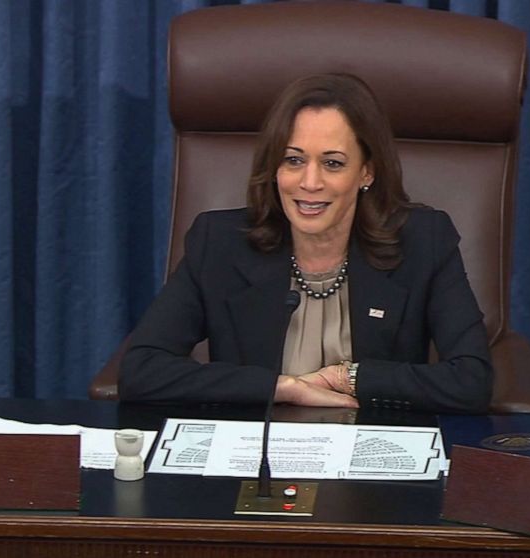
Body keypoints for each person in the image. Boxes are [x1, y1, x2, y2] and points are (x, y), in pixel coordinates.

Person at [119, 73, 493, 413]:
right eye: (294, 160)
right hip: (254, 458)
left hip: (373, 457)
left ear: (367, 171)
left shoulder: (422, 241)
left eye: (332, 164)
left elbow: (471, 381)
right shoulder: (220, 243)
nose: (309, 183)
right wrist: (282, 388)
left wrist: (350, 379)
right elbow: (141, 370)